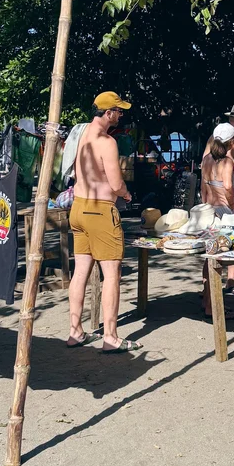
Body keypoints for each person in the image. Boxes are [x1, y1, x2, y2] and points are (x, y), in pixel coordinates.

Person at [67, 91, 140, 352]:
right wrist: (126, 194)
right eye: (119, 111)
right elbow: (116, 183)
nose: (121, 115)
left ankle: (75, 332)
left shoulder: (80, 134)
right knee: (111, 274)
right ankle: (111, 337)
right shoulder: (107, 141)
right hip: (100, 210)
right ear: (108, 113)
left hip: (78, 207)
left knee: (80, 272)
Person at [200, 123, 234, 316]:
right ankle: (213, 306)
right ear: (231, 142)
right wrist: (233, 204)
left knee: (209, 258)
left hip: (209, 209)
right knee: (220, 258)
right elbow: (228, 186)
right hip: (224, 211)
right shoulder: (227, 162)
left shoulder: (206, 159)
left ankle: (207, 301)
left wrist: (205, 206)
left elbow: (203, 188)